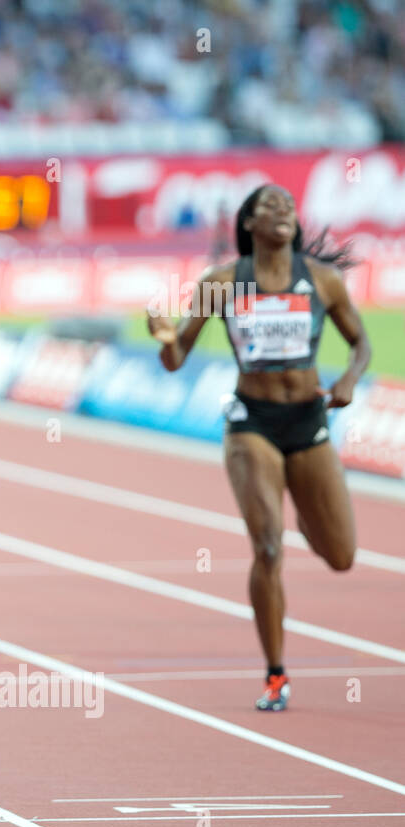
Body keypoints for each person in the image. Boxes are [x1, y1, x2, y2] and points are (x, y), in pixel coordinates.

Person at [147, 183, 369, 712]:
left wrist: (349, 381)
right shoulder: (222, 282)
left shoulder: (323, 280)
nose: (283, 213)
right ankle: (275, 675)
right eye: (270, 208)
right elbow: (178, 357)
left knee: (341, 556)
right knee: (268, 547)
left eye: (289, 207)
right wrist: (163, 339)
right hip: (253, 424)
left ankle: (303, 509)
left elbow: (360, 343)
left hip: (308, 422)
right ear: (249, 223)